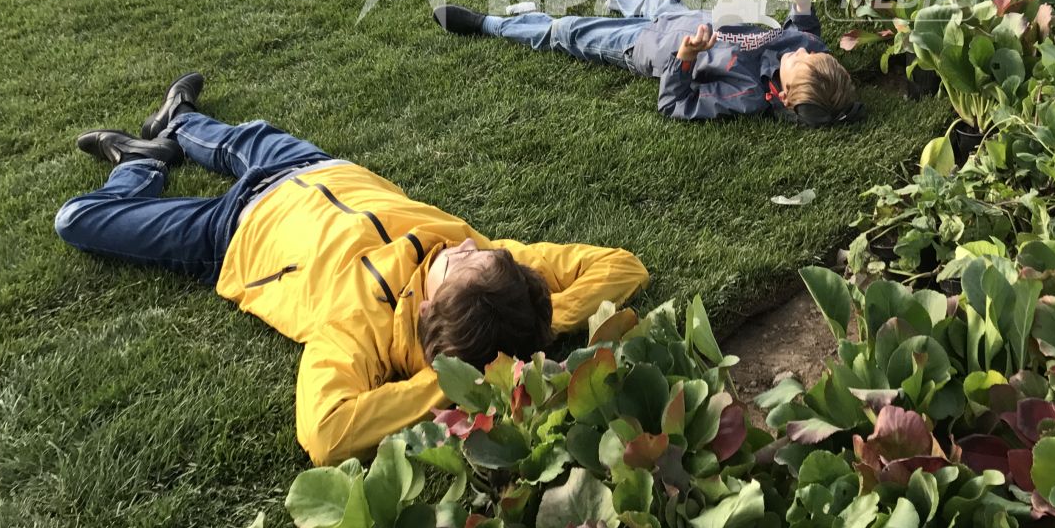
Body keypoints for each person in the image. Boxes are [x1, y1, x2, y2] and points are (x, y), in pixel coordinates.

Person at [52, 71, 647, 465]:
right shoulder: (488, 266)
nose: (463, 249)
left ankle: (141, 162)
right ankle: (178, 123)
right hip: (316, 168)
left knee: (77, 218)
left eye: (457, 267)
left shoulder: (355, 325)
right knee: (243, 138)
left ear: (430, 309)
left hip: (232, 233)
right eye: (483, 255)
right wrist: (531, 349)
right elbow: (622, 268)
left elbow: (328, 432)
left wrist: (466, 382)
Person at [435, 0, 864, 125]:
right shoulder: (809, 54)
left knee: (567, 31)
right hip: (685, 17)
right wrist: (803, 6)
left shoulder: (746, 95)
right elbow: (806, 34)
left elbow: (675, 105)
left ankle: (487, 24)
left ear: (785, 95)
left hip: (648, 46)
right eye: (809, 51)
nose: (802, 49)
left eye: (801, 59)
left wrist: (683, 58)